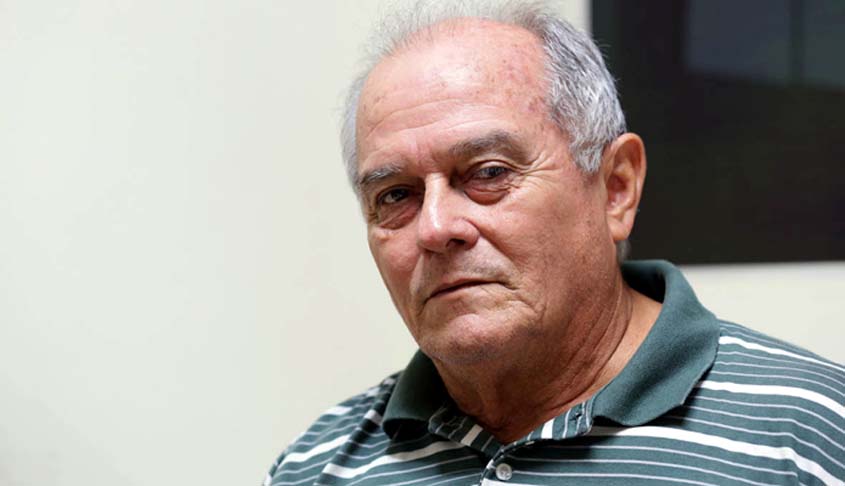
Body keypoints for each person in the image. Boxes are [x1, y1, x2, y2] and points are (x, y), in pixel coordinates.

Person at [265, 2, 845, 485]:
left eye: (488, 173)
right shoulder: (317, 466)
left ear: (616, 188)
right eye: (396, 195)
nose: (436, 228)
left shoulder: (810, 437)